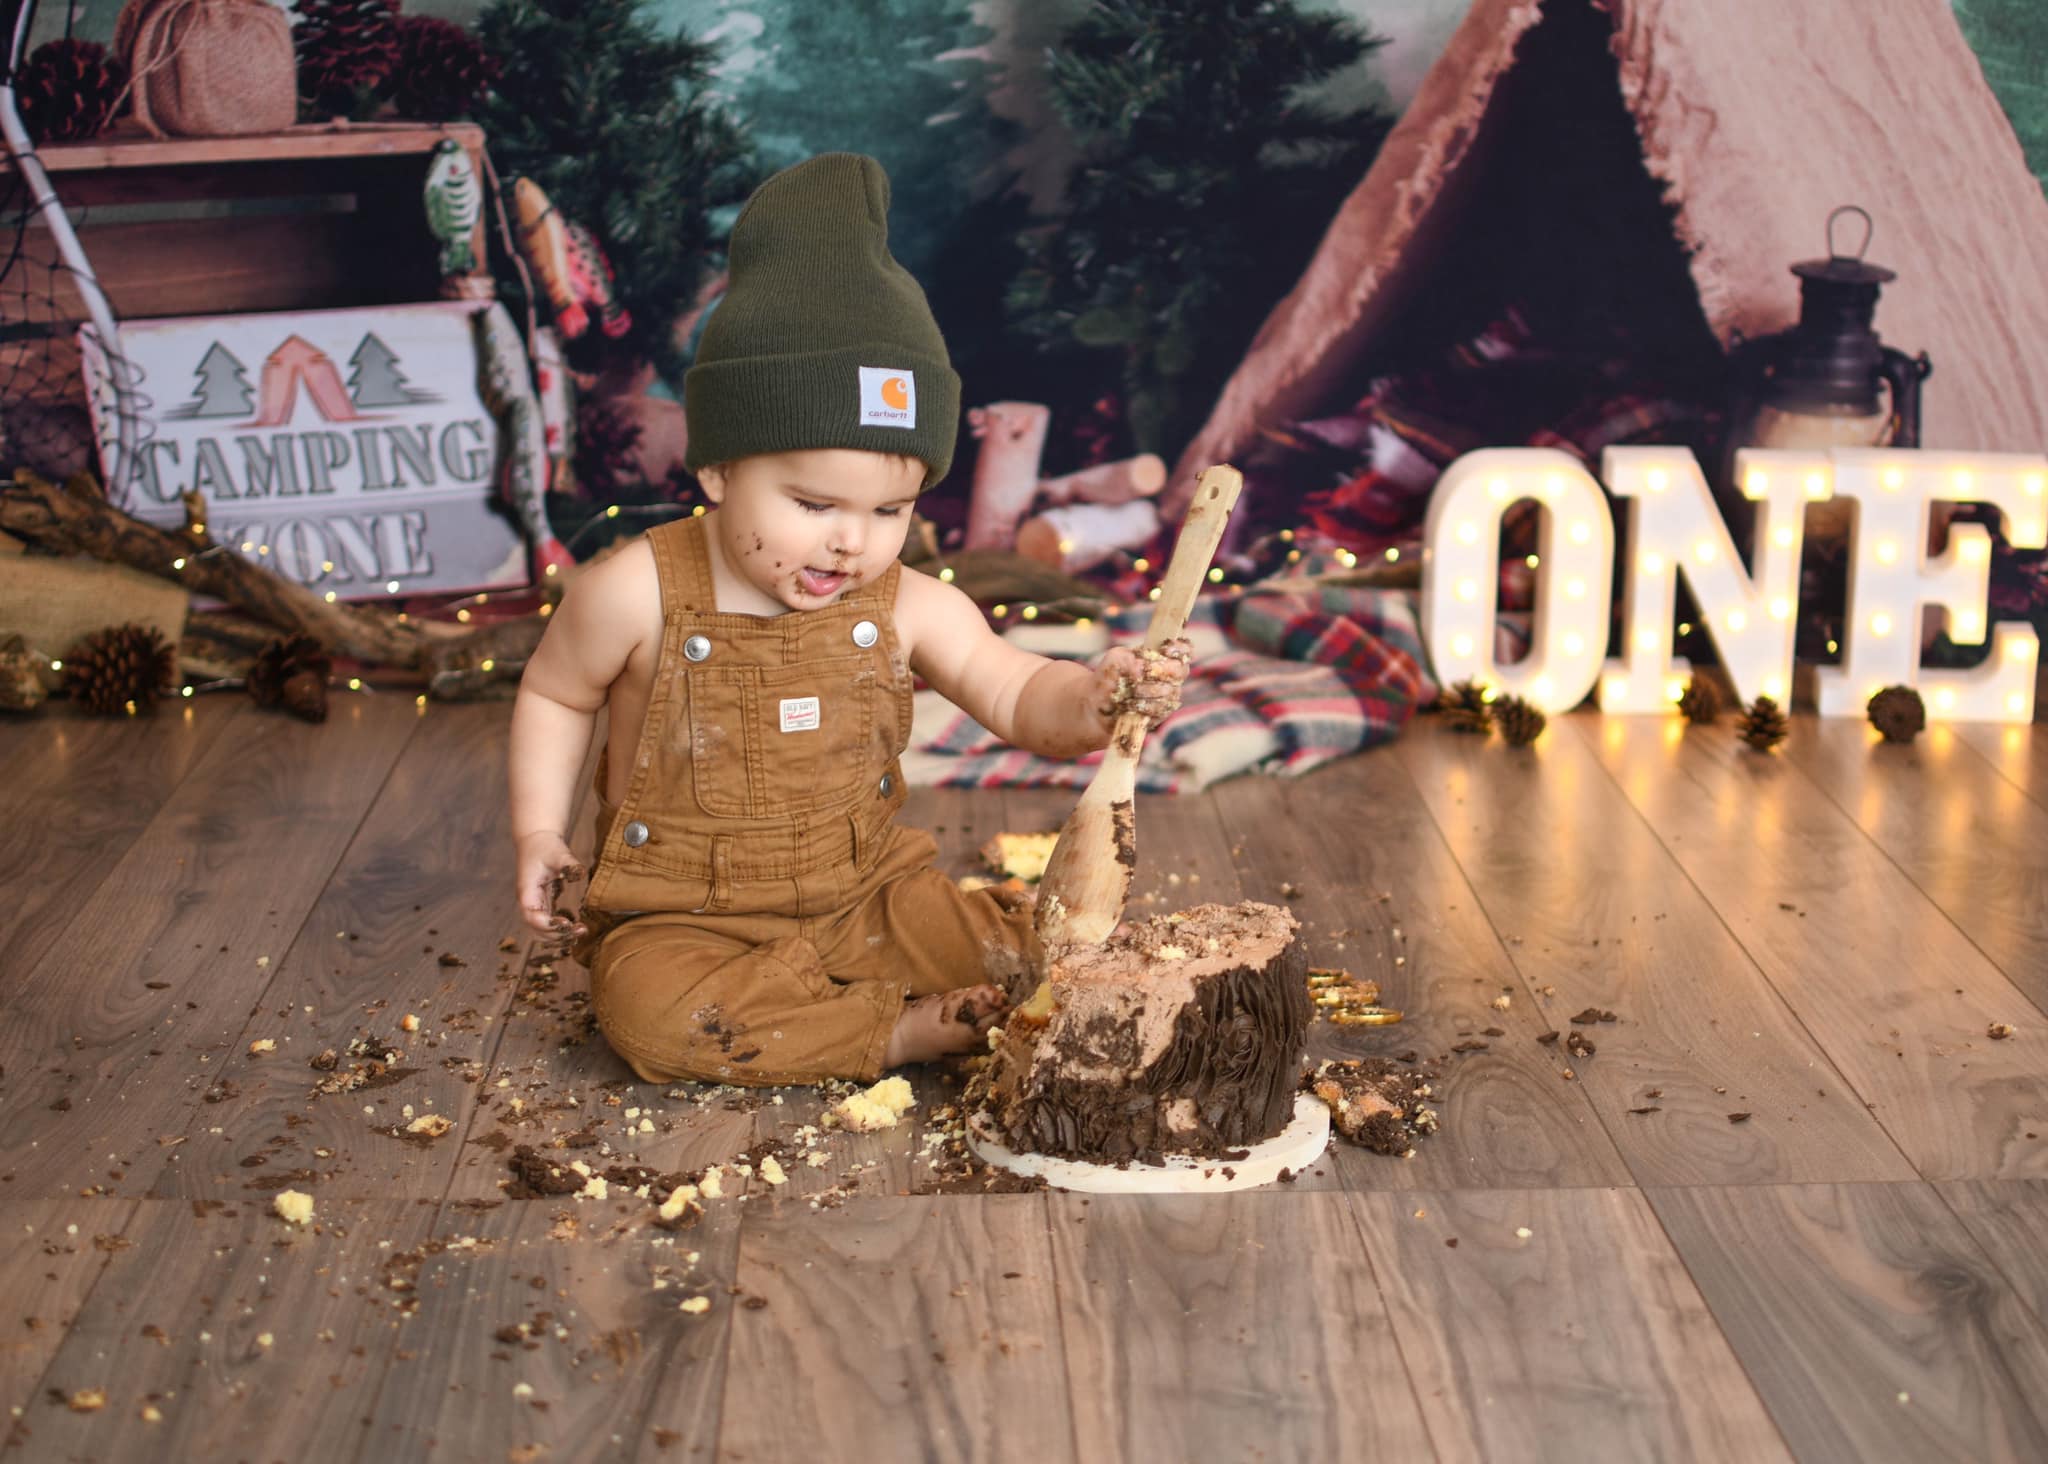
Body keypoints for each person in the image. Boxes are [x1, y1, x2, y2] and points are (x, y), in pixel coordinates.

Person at [508, 152, 1187, 1087]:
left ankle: (875, 993)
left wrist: (1100, 696)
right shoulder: (633, 592)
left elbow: (1019, 688)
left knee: (1027, 950)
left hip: (867, 898)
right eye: (814, 504)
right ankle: (894, 1034)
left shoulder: (905, 600)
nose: (850, 545)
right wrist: (539, 832)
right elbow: (553, 694)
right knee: (654, 1017)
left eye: (888, 512)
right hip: (682, 920)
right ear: (717, 471)